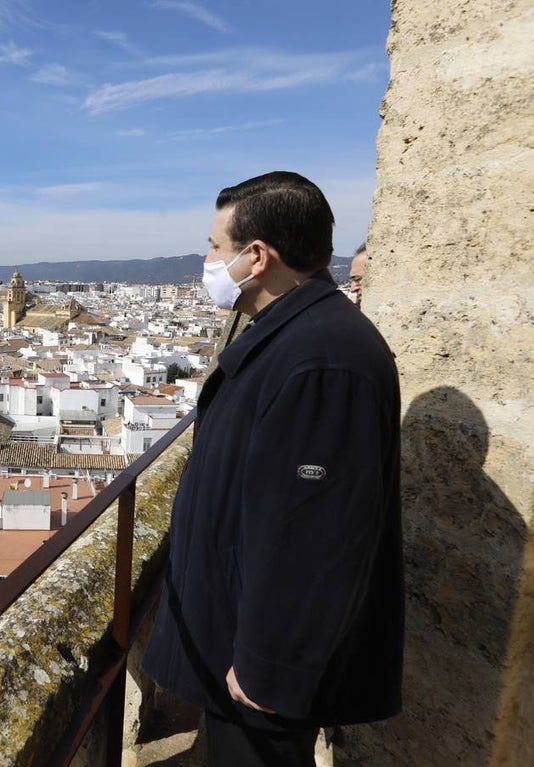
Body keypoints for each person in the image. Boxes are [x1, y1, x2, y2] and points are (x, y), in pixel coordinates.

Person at [143, 172, 404, 766]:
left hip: (261, 674)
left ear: (257, 256)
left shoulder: (323, 359)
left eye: (215, 247)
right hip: (244, 647)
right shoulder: (300, 337)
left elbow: (317, 532)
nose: (206, 261)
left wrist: (270, 667)